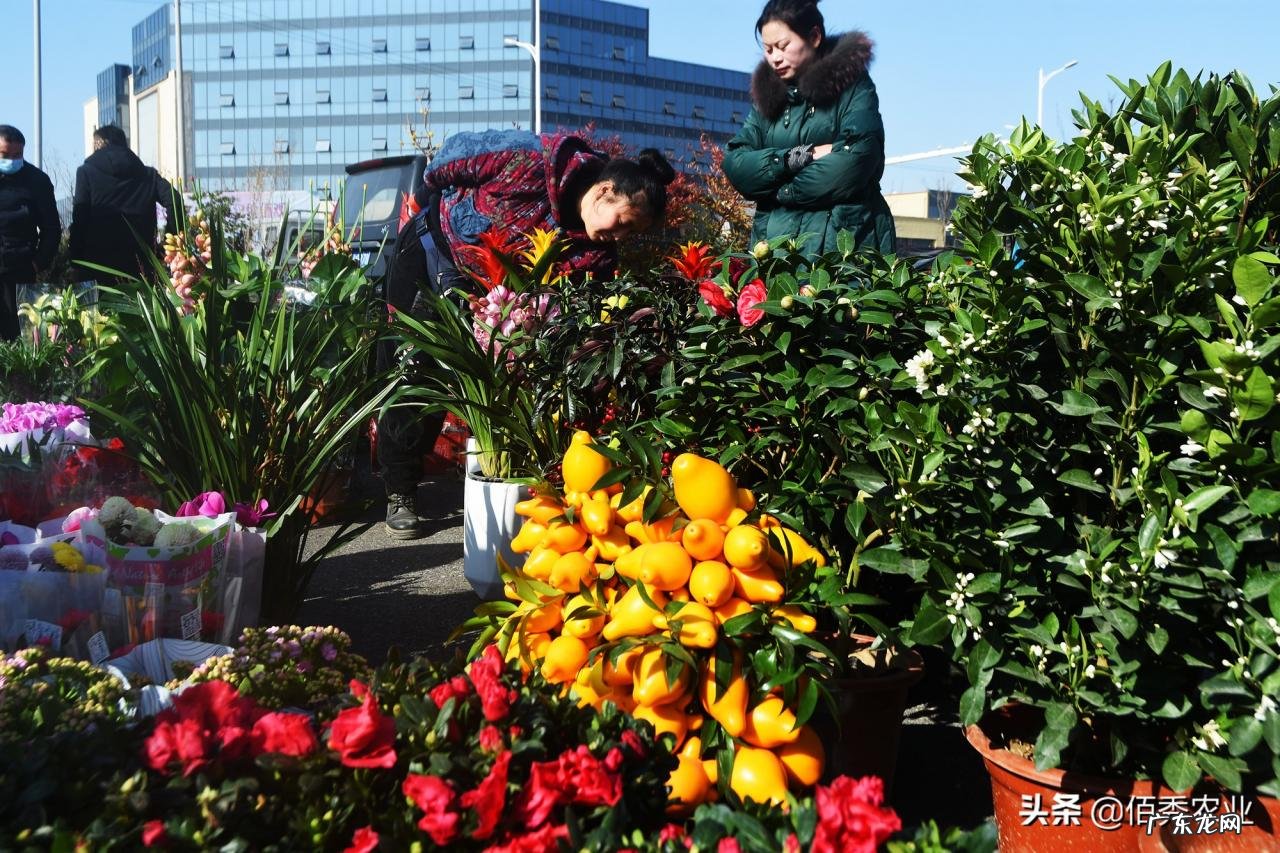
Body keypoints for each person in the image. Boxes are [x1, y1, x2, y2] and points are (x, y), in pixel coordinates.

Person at [377, 129, 675, 538]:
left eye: (631, 233)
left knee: (474, 380)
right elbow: (446, 162)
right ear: (604, 190)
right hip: (433, 256)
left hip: (490, 300)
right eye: (622, 221)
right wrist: (450, 209)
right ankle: (400, 489)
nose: (619, 236)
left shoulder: (595, 253)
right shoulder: (532, 162)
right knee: (417, 371)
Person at [723, 0, 895, 258]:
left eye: (782, 46)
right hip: (776, 254)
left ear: (814, 37)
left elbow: (858, 158)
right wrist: (796, 157)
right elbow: (736, 164)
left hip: (842, 254)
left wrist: (778, 191)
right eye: (768, 49)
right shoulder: (767, 101)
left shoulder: (853, 87)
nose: (775, 58)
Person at [69, 124, 180, 284]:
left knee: (99, 309)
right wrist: (168, 245)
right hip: (141, 265)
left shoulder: (86, 172)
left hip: (97, 266)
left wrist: (76, 262)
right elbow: (174, 201)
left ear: (99, 144)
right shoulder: (148, 175)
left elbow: (80, 218)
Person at [0, 125, 61, 341]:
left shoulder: (37, 181)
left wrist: (38, 263)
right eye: (4, 155)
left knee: (20, 338)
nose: (11, 160)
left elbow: (51, 228)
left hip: (20, 271)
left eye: (17, 155)